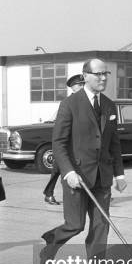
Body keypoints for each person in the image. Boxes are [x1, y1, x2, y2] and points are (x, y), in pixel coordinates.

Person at [39, 59, 127, 264]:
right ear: (85, 75)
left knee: (100, 227)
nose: (103, 78)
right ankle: (50, 246)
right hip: (76, 177)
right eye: (98, 74)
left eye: (106, 73)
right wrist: (68, 172)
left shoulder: (109, 105)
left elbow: (113, 142)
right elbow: (58, 143)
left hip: (103, 177)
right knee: (75, 225)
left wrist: (119, 173)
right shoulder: (70, 104)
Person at [43, 74, 86, 205]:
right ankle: (48, 193)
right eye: (80, 85)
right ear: (73, 88)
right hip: (65, 145)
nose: (83, 87)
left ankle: (48, 193)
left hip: (78, 145)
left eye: (83, 84)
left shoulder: (86, 100)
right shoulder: (68, 102)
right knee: (57, 169)